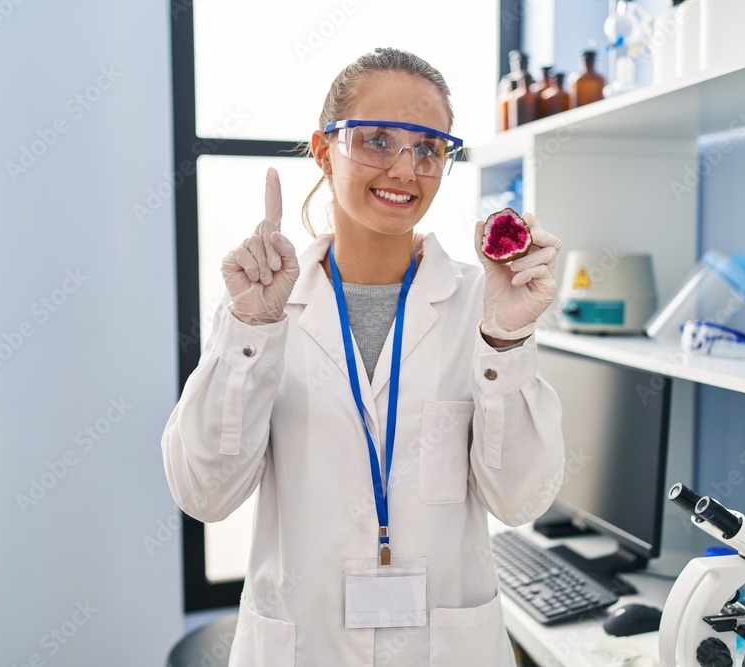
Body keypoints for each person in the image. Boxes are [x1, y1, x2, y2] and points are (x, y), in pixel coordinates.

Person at [162, 47, 565, 666]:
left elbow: (521, 501)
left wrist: (506, 343)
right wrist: (252, 329)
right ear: (323, 151)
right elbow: (203, 492)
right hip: (304, 644)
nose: (405, 168)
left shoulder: (478, 311)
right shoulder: (263, 306)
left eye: (429, 148)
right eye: (377, 140)